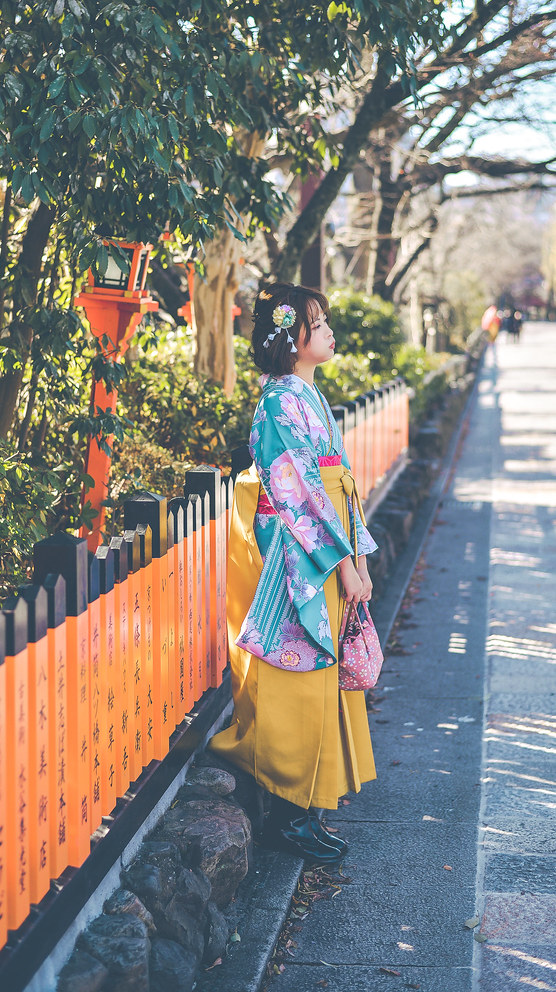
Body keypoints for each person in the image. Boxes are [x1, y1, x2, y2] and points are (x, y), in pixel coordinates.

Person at [209, 281, 378, 866]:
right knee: (298, 677)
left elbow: (340, 481)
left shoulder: (309, 395)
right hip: (297, 552)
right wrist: (340, 560)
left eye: (326, 319)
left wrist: (357, 558)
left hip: (324, 545)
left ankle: (310, 805)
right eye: (317, 321)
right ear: (291, 338)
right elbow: (297, 493)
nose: (329, 330)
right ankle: (288, 811)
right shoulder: (280, 402)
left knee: (320, 676)